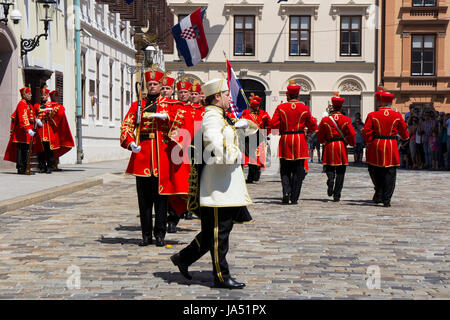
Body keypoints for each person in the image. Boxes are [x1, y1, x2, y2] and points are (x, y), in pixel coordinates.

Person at [170, 78, 258, 289]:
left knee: (213, 232)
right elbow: (212, 138)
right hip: (217, 184)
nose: (229, 98)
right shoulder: (211, 115)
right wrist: (230, 155)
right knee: (220, 233)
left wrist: (244, 125)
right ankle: (221, 276)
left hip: (224, 183)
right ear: (217, 97)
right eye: (226, 94)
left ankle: (183, 258)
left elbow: (245, 130)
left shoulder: (222, 115)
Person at [120, 70, 179, 247]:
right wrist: (130, 143)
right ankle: (146, 234)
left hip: (162, 154)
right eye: (150, 84)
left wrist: (168, 117)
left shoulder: (169, 105)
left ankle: (160, 233)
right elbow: (126, 126)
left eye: (155, 84)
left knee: (162, 199)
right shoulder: (138, 105)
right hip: (143, 154)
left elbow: (182, 121)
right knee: (143, 199)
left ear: (162, 86)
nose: (152, 87)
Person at [270, 81, 318, 204]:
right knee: (298, 169)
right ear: (298, 95)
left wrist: (281, 131)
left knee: (285, 169)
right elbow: (312, 125)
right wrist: (307, 132)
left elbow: (274, 125)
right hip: (299, 139)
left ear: (288, 95)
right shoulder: (304, 107)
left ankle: (286, 191)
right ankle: (295, 197)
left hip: (286, 139)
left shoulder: (281, 107)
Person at [363, 91, 409, 207]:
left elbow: (367, 131)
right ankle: (387, 199)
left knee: (375, 170)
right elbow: (404, 132)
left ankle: (379, 193)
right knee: (390, 173)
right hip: (391, 144)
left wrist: (368, 142)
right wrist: (404, 137)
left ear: (380, 101)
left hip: (377, 144)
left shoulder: (373, 115)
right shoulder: (397, 115)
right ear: (391, 102)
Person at [317, 93, 356, 202]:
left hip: (329, 145)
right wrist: (351, 143)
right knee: (341, 171)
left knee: (329, 166)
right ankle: (337, 195)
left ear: (333, 107)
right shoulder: (346, 119)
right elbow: (352, 133)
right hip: (341, 146)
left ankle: (330, 179)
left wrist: (323, 141)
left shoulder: (326, 120)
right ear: (341, 107)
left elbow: (320, 133)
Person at [4, 86, 43, 174]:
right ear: (24, 95)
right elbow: (23, 118)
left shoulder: (28, 105)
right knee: (22, 150)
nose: (31, 95)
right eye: (29, 94)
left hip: (27, 131)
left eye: (30, 94)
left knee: (26, 149)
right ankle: (21, 168)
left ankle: (25, 167)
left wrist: (37, 120)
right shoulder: (22, 104)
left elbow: (31, 116)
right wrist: (28, 129)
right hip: (22, 132)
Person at [240, 94, 271, 183]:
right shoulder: (245, 113)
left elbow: (269, 124)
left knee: (258, 158)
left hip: (259, 137)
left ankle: (255, 175)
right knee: (250, 158)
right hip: (248, 137)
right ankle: (250, 177)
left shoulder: (263, 114)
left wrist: (266, 133)